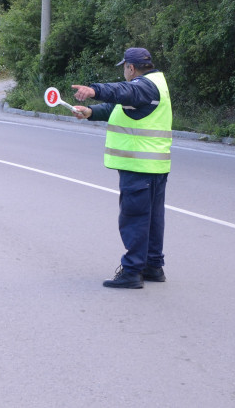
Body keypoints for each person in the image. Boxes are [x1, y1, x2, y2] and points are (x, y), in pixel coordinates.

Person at [71, 47, 172, 289]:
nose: (125, 74)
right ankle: (152, 266)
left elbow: (123, 91)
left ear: (131, 67)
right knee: (152, 219)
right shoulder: (155, 84)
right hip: (154, 166)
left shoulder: (143, 86)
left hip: (138, 166)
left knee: (135, 218)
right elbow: (120, 107)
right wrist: (91, 111)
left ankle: (132, 271)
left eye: (124, 68)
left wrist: (94, 90)